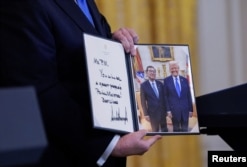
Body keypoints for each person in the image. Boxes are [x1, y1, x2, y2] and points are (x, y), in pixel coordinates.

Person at [0, 0, 162, 167]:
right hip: (60, 157)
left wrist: (114, 45)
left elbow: (76, 53)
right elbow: (38, 91)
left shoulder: (85, 2)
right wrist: (108, 145)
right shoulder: (25, 4)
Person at [163, 61, 193, 132]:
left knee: (185, 129)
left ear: (178, 68)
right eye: (172, 68)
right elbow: (165, 96)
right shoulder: (166, 81)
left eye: (175, 68)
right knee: (176, 130)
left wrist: (191, 109)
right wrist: (168, 110)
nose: (174, 70)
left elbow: (189, 95)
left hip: (185, 110)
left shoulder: (185, 80)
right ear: (170, 70)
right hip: (174, 111)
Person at [140, 66, 168, 132]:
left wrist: (167, 110)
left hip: (162, 112)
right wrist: (146, 114)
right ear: (146, 73)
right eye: (150, 71)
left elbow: (164, 98)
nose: (152, 73)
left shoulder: (160, 84)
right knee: (155, 131)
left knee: (165, 130)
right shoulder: (143, 85)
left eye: (154, 71)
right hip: (152, 113)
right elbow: (143, 101)